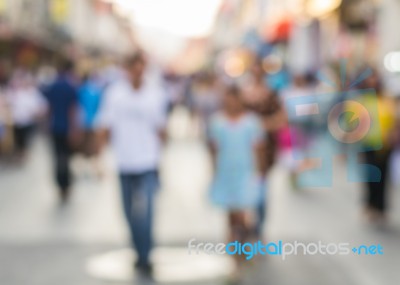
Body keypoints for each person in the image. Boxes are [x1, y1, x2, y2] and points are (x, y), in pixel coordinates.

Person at [96, 53, 167, 276]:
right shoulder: (115, 94)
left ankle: (146, 254)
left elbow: (161, 129)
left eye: (140, 68)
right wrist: (99, 159)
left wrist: (162, 160)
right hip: (124, 162)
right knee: (128, 212)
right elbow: (104, 125)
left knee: (145, 212)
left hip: (147, 162)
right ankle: (138, 250)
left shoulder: (155, 94)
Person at [208, 85, 265, 282]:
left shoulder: (251, 122)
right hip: (226, 174)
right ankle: (235, 257)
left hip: (245, 174)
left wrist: (259, 173)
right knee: (231, 218)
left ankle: (241, 251)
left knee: (241, 217)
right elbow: (214, 149)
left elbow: (258, 148)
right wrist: (213, 172)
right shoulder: (217, 122)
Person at [242, 58, 286, 238]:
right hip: (244, 149)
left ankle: (258, 226)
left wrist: (261, 125)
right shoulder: (243, 93)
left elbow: (282, 119)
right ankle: (245, 225)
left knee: (261, 189)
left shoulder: (272, 94)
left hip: (265, 150)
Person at [359, 71, 396, 222]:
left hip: (385, 145)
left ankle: (380, 206)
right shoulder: (363, 101)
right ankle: (370, 204)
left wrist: (393, 133)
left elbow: (394, 118)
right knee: (371, 176)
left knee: (383, 176)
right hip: (368, 144)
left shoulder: (387, 100)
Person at [43, 61, 78, 203]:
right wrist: (74, 128)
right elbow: (72, 110)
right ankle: (66, 183)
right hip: (66, 128)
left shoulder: (53, 86)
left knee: (58, 157)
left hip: (55, 127)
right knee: (66, 157)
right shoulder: (70, 86)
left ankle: (61, 184)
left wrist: (46, 125)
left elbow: (49, 108)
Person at [6, 70, 47, 162]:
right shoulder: (15, 93)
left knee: (25, 140)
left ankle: (23, 155)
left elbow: (42, 106)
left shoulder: (33, 92)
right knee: (18, 140)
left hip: (28, 122)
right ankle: (19, 155)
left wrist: (37, 113)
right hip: (17, 121)